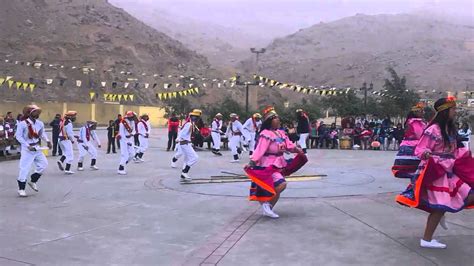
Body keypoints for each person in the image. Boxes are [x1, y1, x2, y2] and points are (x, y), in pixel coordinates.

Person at [396, 96, 474, 249]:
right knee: (439, 207)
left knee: (469, 193)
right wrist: (425, 153)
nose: (455, 112)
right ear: (445, 111)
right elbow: (420, 149)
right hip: (437, 171)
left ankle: (441, 213)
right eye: (453, 109)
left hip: (450, 169)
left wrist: (465, 155)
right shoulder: (433, 129)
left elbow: (455, 148)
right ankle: (427, 239)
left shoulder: (450, 128)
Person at [244, 106, 307, 218]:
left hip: (279, 162)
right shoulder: (266, 134)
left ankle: (268, 207)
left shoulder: (281, 133)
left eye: (278, 118)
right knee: (281, 184)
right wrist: (251, 162)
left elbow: (289, 145)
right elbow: (260, 150)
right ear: (269, 121)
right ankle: (266, 204)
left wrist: (297, 150)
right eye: (275, 118)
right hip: (268, 165)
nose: (278, 120)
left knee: (277, 188)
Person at [15, 105, 52, 197]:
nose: (38, 114)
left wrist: (47, 141)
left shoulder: (40, 123)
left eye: (38, 112)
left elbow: (42, 133)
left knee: (44, 164)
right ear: (30, 113)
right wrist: (27, 146)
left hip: (37, 148)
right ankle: (21, 189)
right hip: (27, 149)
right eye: (36, 112)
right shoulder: (22, 124)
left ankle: (33, 181)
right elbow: (18, 136)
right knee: (24, 168)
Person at [391, 103, 427, 178]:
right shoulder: (414, 122)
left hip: (407, 144)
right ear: (416, 112)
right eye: (421, 111)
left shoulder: (412, 121)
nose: (423, 113)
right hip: (413, 145)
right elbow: (419, 134)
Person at [170, 109, 201, 182]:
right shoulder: (189, 124)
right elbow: (183, 134)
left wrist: (189, 141)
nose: (197, 119)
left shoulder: (190, 124)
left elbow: (184, 134)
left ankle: (184, 173)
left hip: (186, 143)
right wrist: (181, 139)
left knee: (187, 159)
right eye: (196, 117)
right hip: (185, 144)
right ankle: (184, 172)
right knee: (195, 158)